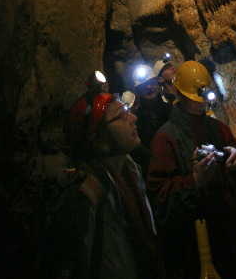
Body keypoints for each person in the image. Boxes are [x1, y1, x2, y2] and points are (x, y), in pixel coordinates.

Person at [44, 84, 165, 279]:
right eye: (122, 115)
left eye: (128, 111)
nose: (133, 118)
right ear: (99, 141)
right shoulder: (85, 199)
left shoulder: (132, 176)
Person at [147, 60, 236, 279]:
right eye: (195, 99)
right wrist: (194, 180)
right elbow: (159, 198)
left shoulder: (216, 127)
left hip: (225, 232)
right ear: (180, 94)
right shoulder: (165, 138)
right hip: (191, 244)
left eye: (204, 98)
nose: (201, 104)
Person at [131, 65, 172, 182]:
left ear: (157, 82)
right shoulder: (134, 120)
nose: (149, 87)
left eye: (151, 82)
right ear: (138, 90)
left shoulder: (171, 111)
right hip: (150, 177)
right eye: (143, 86)